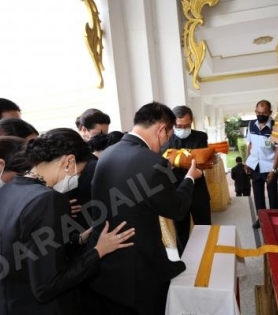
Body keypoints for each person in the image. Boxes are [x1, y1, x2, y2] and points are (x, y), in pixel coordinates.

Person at [0, 128, 135, 315]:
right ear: (69, 161)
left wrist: (76, 239)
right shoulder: (47, 199)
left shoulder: (11, 188)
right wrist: (98, 251)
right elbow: (48, 285)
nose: (76, 178)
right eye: (78, 173)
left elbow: (27, 247)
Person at [88, 101, 202, 315]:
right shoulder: (152, 162)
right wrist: (190, 179)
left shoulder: (108, 153)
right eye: (167, 137)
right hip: (140, 267)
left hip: (109, 264)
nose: (164, 144)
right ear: (161, 129)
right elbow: (176, 209)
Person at [168, 105, 211, 252]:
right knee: (181, 232)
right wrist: (191, 157)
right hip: (176, 192)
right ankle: (184, 262)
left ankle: (207, 257)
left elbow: (201, 161)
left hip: (197, 189)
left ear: (191, 121)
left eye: (186, 125)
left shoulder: (200, 136)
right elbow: (163, 163)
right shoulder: (166, 139)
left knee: (204, 228)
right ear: (172, 124)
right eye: (179, 126)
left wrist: (176, 158)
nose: (183, 129)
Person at [245, 100, 278, 229]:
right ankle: (260, 219)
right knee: (258, 194)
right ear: (255, 112)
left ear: (270, 112)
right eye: (259, 113)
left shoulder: (276, 127)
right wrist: (247, 162)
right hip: (255, 165)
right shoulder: (251, 125)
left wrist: (273, 170)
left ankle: (275, 218)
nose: (261, 115)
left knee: (272, 195)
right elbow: (250, 144)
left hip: (269, 166)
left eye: (264, 113)